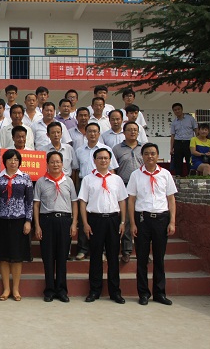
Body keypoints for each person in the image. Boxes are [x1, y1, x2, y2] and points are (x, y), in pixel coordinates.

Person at [127, 143, 177, 306]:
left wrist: (172, 221)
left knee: (159, 258)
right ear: (142, 156)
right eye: (147, 153)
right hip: (142, 219)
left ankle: (159, 293)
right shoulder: (136, 175)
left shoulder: (165, 174)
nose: (150, 156)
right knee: (142, 258)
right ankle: (143, 293)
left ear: (157, 155)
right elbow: (131, 200)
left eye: (153, 153)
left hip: (161, 219)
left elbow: (171, 199)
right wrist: (132, 223)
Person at [78, 148, 127, 304]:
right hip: (95, 220)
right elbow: (83, 202)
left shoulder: (117, 180)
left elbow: (122, 201)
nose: (103, 161)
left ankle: (115, 292)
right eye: (100, 158)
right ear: (95, 160)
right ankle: (94, 290)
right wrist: (85, 223)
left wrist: (123, 222)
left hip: (113, 220)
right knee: (95, 256)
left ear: (110, 160)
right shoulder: (88, 179)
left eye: (106, 158)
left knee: (113, 256)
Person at [33, 151, 78, 302]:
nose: (55, 164)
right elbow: (36, 204)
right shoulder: (41, 182)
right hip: (47, 220)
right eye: (52, 162)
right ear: (47, 164)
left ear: (62, 164)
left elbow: (74, 203)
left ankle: (62, 290)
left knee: (62, 256)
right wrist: (37, 225)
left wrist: (74, 223)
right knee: (48, 257)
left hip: (64, 221)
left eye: (58, 162)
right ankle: (49, 290)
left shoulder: (68, 181)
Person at [75, 122, 119, 261]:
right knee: (84, 218)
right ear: (85, 134)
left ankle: (103, 250)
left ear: (99, 134)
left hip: (103, 184)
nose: (92, 134)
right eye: (90, 131)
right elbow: (76, 170)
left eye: (95, 131)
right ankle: (83, 248)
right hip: (85, 183)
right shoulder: (79, 150)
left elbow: (112, 169)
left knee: (101, 216)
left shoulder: (106, 150)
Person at [0, 149, 33, 301]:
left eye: (16, 159)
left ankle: (16, 288)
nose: (13, 162)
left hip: (19, 220)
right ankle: (6, 288)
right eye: (10, 159)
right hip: (1, 220)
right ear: (5, 161)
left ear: (19, 162)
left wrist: (28, 221)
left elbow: (29, 201)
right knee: (3, 256)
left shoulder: (25, 178)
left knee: (17, 256)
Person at [112, 121, 144, 263]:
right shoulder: (117, 149)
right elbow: (113, 169)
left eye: (135, 130)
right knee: (126, 219)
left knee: (141, 218)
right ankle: (126, 250)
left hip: (141, 187)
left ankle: (142, 250)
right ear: (124, 133)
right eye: (129, 130)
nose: (132, 132)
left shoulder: (144, 148)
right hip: (124, 186)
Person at [170, 103, 198, 176]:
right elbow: (172, 136)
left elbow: (196, 130)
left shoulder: (190, 119)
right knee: (178, 161)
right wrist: (171, 148)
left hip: (189, 142)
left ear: (182, 109)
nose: (177, 111)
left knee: (190, 160)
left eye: (178, 109)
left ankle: (191, 177)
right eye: (175, 110)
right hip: (178, 143)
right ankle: (179, 177)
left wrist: (198, 143)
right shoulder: (174, 122)